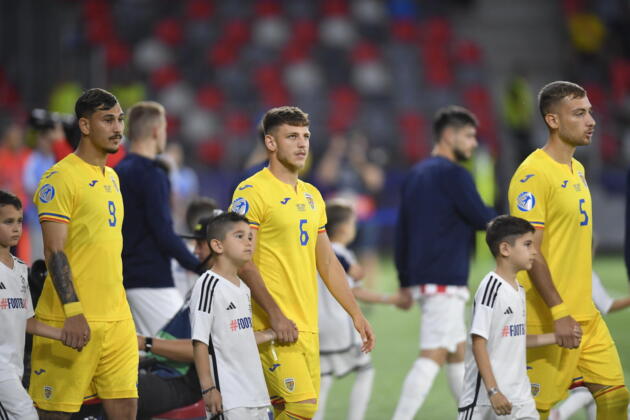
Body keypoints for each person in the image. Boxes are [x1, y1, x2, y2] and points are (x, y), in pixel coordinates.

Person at [230, 106, 375, 420]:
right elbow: (242, 261)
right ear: (271, 143)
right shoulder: (252, 191)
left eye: (306, 136)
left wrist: (356, 313)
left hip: (307, 328)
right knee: (300, 408)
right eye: (291, 136)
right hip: (272, 326)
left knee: (299, 411)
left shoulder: (312, 196)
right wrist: (276, 315)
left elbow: (327, 262)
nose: (302, 144)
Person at [508, 81, 628, 419]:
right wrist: (559, 312)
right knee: (534, 412)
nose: (591, 120)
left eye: (590, 111)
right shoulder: (533, 174)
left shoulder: (577, 169)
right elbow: (529, 250)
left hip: (586, 316)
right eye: (579, 113)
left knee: (616, 400)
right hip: (546, 317)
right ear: (553, 120)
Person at [29, 88, 138, 419]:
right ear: (85, 125)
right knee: (55, 414)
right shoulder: (60, 178)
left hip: (117, 318)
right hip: (70, 319)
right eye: (108, 120)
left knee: (126, 408)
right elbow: (54, 249)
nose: (118, 128)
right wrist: (73, 310)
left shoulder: (113, 178)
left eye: (120, 120)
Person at [393, 105, 496, 420]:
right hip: (445, 279)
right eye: (468, 136)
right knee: (434, 354)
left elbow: (403, 231)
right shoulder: (454, 174)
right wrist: (519, 226)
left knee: (455, 353)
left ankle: (469, 415)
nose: (473, 143)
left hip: (426, 279)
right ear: (449, 136)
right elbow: (482, 218)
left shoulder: (415, 174)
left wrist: (404, 281)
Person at [458, 215, 571, 420]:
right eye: (527, 245)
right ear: (505, 249)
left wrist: (557, 337)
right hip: (485, 402)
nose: (534, 251)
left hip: (520, 399)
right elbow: (478, 344)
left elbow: (515, 339)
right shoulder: (490, 288)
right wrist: (493, 391)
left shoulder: (518, 290)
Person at [115, 101, 202, 337]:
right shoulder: (153, 174)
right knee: (186, 345)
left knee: (146, 357)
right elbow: (163, 232)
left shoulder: (118, 171)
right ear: (155, 131)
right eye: (164, 129)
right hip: (151, 279)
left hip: (124, 276)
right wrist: (200, 266)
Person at [314, 199, 404, 420]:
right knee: (365, 371)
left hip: (317, 325)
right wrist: (391, 298)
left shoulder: (314, 249)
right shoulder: (340, 255)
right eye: (353, 223)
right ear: (345, 228)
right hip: (339, 325)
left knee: (323, 378)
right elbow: (356, 288)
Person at [190, 212, 275, 419]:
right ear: (217, 246)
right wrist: (208, 388)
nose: (248, 242)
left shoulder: (244, 288)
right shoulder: (208, 284)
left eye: (250, 237)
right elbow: (200, 341)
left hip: (256, 395)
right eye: (239, 236)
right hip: (230, 399)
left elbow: (238, 335)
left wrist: (273, 333)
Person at [0, 190, 65, 419]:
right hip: (2, 370)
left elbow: (28, 322)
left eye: (19, 221)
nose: (16, 228)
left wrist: (63, 335)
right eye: (8, 222)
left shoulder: (20, 269)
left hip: (15, 366)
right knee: (27, 414)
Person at [550, 271, 630, 420]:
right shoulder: (584, 272)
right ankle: (557, 415)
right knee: (599, 392)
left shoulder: (560, 270)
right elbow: (606, 305)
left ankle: (557, 414)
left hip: (560, 336)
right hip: (579, 339)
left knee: (597, 396)